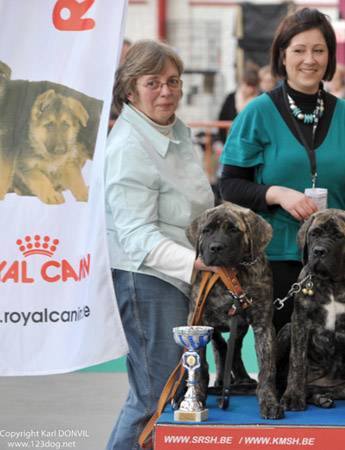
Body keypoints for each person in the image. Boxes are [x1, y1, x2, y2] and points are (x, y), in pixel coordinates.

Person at [218, 8, 345, 331]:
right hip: (277, 262)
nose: (309, 59)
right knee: (283, 369)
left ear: (329, 57)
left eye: (318, 50)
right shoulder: (257, 113)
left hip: (340, 263)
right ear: (282, 56)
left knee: (337, 370)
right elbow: (230, 185)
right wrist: (276, 194)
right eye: (299, 50)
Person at [105, 40, 216, 449]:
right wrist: (198, 262)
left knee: (166, 395)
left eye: (173, 81)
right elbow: (137, 236)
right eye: (153, 83)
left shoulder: (173, 133)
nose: (166, 91)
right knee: (154, 398)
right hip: (148, 280)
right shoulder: (130, 147)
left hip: (178, 278)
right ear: (130, 91)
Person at [217, 67, 260, 142]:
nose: (250, 89)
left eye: (253, 86)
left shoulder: (260, 99)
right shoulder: (231, 98)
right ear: (242, 83)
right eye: (248, 85)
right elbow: (222, 118)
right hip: (232, 139)